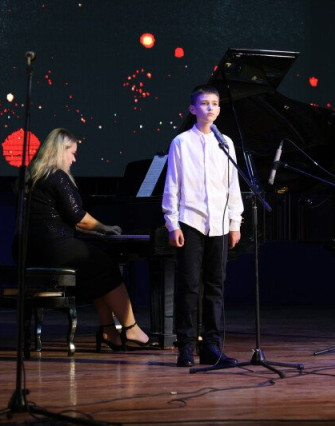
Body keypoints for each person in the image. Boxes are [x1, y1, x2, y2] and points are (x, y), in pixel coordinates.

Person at [15, 128, 151, 352]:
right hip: (54, 245)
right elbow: (78, 217)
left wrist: (96, 232)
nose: (74, 159)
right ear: (61, 150)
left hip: (31, 248)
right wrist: (104, 228)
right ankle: (131, 328)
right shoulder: (57, 175)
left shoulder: (35, 176)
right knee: (107, 265)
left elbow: (65, 218)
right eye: (73, 153)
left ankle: (108, 331)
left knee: (96, 271)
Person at [162, 84, 244, 367]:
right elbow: (173, 184)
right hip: (191, 221)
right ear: (193, 109)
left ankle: (211, 346)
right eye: (205, 103)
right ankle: (185, 346)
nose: (211, 108)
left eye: (215, 103)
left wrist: (235, 222)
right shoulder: (181, 142)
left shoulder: (226, 143)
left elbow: (232, 185)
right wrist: (172, 223)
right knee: (188, 286)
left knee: (215, 286)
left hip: (219, 223)